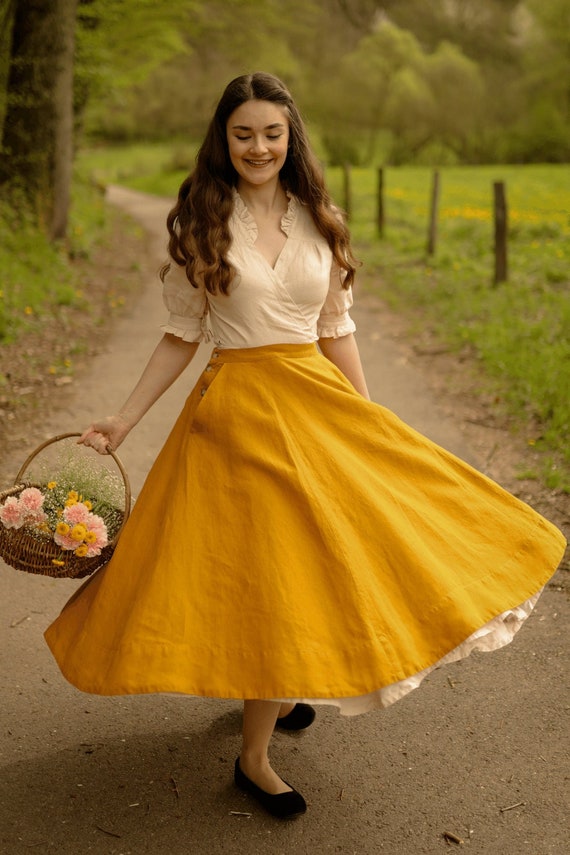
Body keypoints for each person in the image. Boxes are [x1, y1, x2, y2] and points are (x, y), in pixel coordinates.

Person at [44, 72, 566, 820]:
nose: (258, 146)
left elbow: (336, 329)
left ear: (292, 139)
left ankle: (275, 691)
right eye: (243, 133)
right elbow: (180, 334)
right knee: (267, 572)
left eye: (272, 133)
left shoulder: (321, 218)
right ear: (223, 141)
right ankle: (254, 756)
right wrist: (124, 418)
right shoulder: (200, 219)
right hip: (238, 416)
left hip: (314, 404)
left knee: (308, 560)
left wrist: (367, 421)